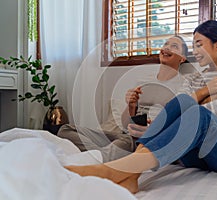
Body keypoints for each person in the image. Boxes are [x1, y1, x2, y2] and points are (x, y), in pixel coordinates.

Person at [65, 20, 217, 194]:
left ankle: (116, 170)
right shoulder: (193, 79)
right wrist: (205, 91)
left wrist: (186, 116)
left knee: (197, 114)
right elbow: (178, 106)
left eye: (199, 44)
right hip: (201, 156)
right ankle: (133, 175)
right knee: (182, 102)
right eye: (193, 45)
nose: (195, 51)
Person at [58, 35, 188, 162]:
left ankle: (104, 158)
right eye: (166, 44)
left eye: (174, 46)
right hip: (127, 136)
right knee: (66, 130)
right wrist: (131, 105)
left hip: (148, 139)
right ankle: (104, 155)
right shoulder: (144, 80)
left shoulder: (183, 86)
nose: (167, 48)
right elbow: (126, 124)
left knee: (125, 142)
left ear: (182, 58)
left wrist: (156, 127)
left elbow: (178, 126)